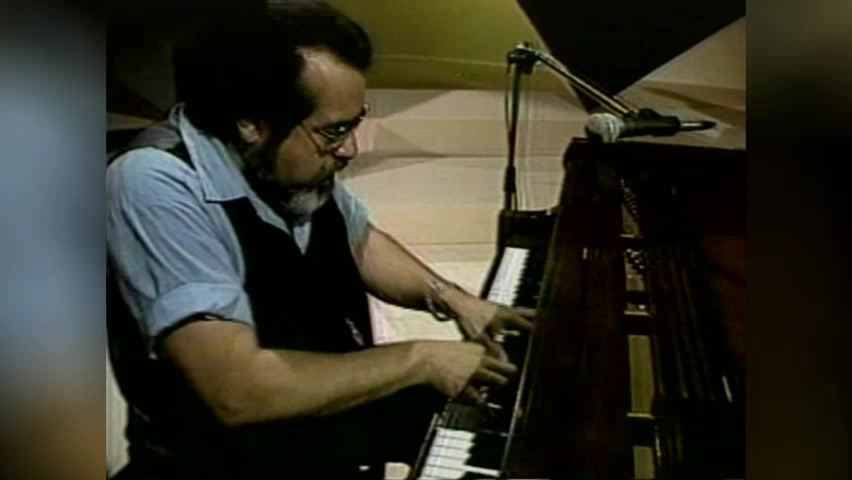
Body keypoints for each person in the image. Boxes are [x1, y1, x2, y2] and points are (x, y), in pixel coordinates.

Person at [106, 2, 534, 478]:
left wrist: (455, 300)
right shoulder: (154, 183)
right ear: (252, 123)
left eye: (355, 122)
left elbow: (359, 241)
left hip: (315, 419)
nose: (351, 149)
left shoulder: (287, 162)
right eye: (335, 131)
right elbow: (234, 391)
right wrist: (421, 358)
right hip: (222, 461)